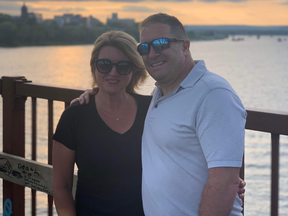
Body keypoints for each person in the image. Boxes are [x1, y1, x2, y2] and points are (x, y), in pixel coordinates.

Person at [74, 13, 247, 216]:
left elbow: (224, 181)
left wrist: (231, 179)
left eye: (161, 43)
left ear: (185, 46)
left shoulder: (213, 94)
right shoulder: (158, 95)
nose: (152, 53)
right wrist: (97, 94)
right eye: (144, 48)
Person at [52, 30, 150, 216]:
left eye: (123, 65)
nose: (113, 72)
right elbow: (61, 187)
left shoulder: (151, 111)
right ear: (94, 67)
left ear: (133, 69)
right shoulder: (74, 117)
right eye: (104, 65)